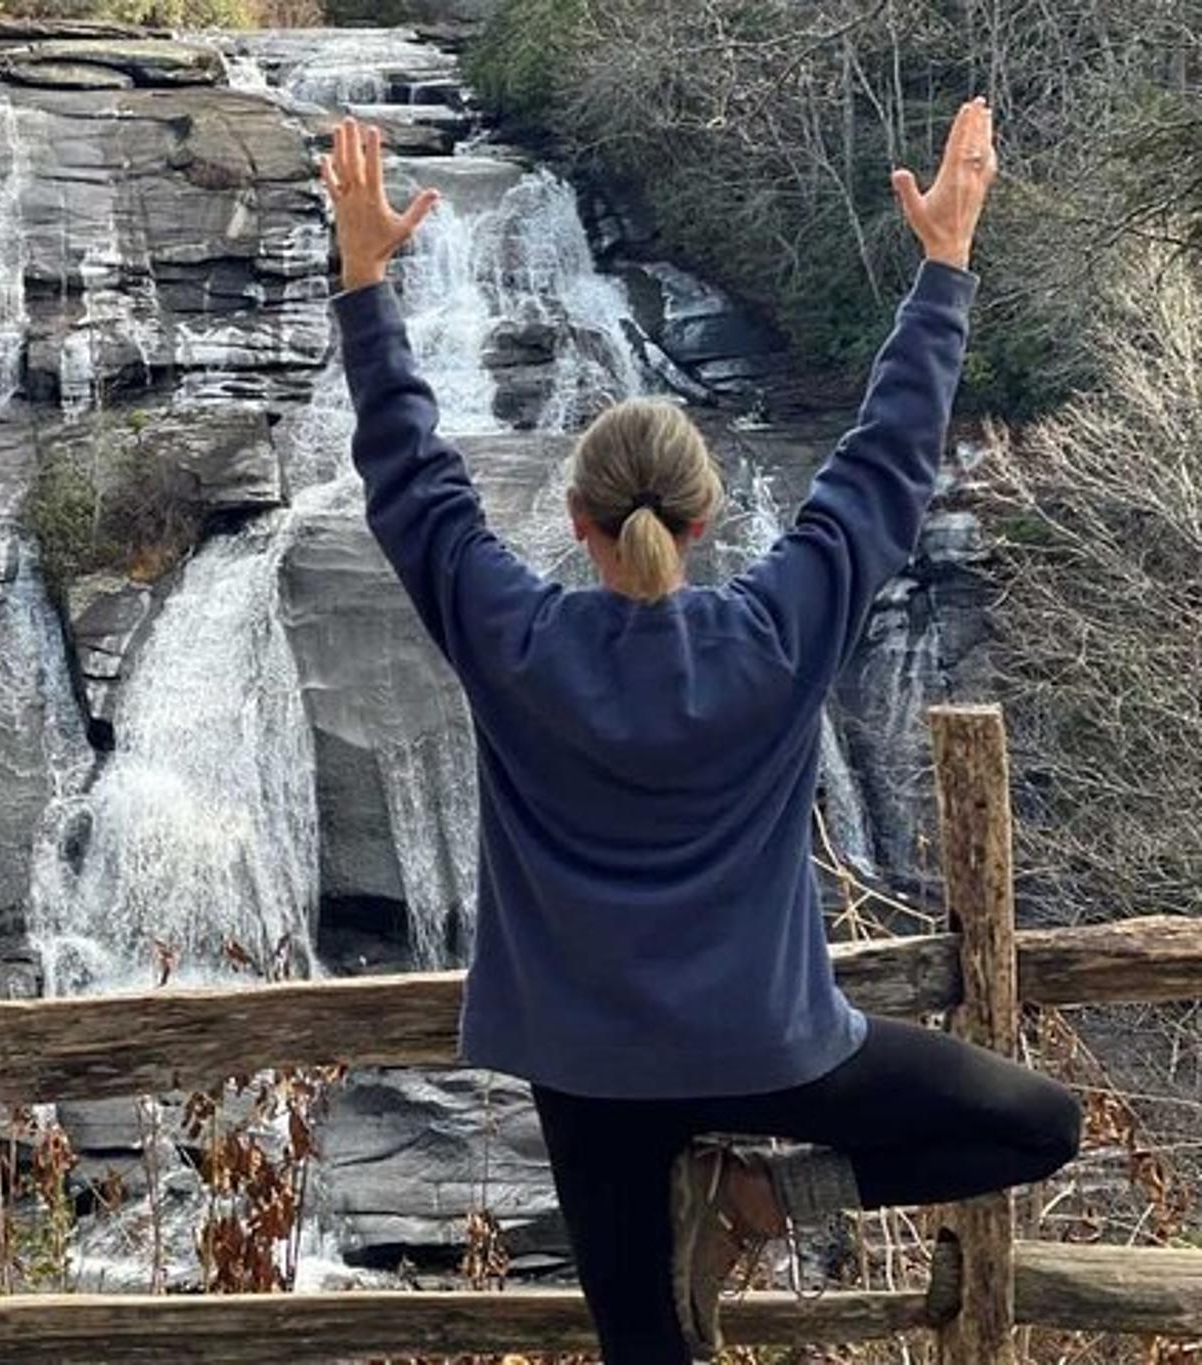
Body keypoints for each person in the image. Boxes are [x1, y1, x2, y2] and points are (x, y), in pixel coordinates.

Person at [320, 101, 1082, 1363]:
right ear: (707, 518)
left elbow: (409, 481)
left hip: (586, 1075)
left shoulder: (511, 638)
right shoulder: (774, 633)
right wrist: (942, 265)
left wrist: (361, 278)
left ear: (571, 520)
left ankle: (743, 1202)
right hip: (772, 1051)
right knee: (1033, 1124)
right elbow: (884, 468)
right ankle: (764, 1199)